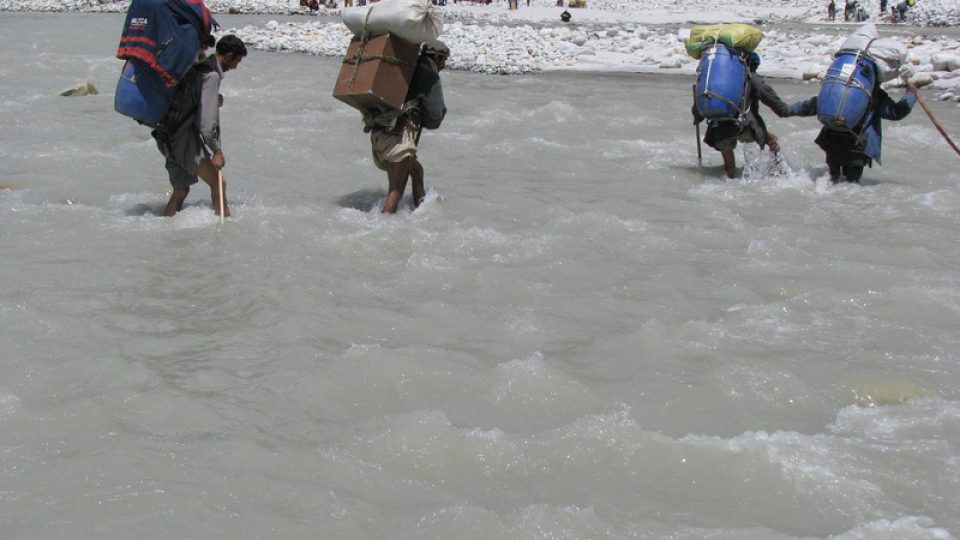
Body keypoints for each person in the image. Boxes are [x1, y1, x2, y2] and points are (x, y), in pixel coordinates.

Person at [152, 35, 247, 217]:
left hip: (165, 133)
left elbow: (191, 99)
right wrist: (217, 151)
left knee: (181, 190)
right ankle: (224, 232)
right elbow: (207, 124)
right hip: (182, 139)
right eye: (237, 61)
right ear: (228, 55)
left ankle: (165, 229)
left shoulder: (197, 67)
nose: (236, 66)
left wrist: (214, 97)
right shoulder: (211, 76)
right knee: (219, 183)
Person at [364, 40, 448, 213]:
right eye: (444, 60)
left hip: (381, 132)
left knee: (416, 171)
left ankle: (420, 211)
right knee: (396, 191)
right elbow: (435, 115)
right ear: (437, 57)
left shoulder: (407, 66)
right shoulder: (428, 73)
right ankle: (382, 228)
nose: (444, 65)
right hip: (399, 136)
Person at [787, 80, 917, 183]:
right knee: (851, 185)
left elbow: (809, 107)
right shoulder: (874, 94)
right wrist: (911, 94)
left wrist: (784, 109)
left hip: (832, 143)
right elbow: (896, 112)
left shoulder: (836, 89)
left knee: (831, 182)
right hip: (857, 147)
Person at [691, 52, 792, 178]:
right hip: (747, 127)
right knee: (771, 139)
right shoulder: (752, 76)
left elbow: (699, 107)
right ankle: (782, 171)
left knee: (729, 173)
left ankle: (729, 182)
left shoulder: (716, 79)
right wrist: (784, 110)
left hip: (720, 131)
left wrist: (697, 117)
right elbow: (768, 96)